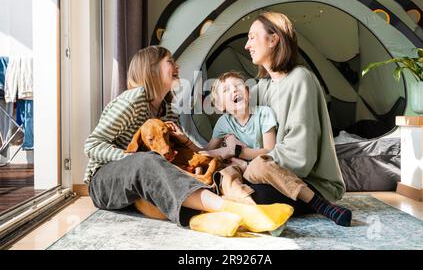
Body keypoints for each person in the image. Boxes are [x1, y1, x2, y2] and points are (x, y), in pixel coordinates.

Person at [83, 46, 294, 237]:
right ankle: (236, 210)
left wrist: (197, 157)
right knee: (146, 160)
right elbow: (92, 145)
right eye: (170, 61)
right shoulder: (132, 100)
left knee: (198, 167)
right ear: (151, 69)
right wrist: (129, 157)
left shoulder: (169, 110)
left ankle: (203, 219)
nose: (178, 66)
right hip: (106, 182)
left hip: (142, 188)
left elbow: (185, 153)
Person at [169, 70, 351, 227]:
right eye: (227, 90)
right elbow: (206, 151)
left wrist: (240, 152)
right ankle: (255, 215)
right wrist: (186, 141)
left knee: (260, 165)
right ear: (220, 105)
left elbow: (269, 151)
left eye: (238, 86)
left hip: (258, 167)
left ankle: (321, 204)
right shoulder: (223, 123)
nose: (234, 90)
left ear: (247, 92)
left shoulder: (263, 114)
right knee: (225, 177)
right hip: (238, 169)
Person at [239, 11, 352, 226]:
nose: (247, 45)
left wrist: (249, 163)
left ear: (274, 39)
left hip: (307, 182)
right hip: (266, 172)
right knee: (224, 179)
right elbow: (240, 127)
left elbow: (300, 156)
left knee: (255, 194)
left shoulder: (301, 79)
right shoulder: (262, 87)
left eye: (252, 37)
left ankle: (319, 204)